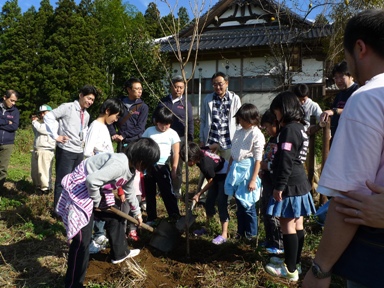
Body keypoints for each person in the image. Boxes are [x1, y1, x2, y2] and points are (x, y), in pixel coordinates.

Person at [303, 10, 384, 288]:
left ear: (359, 48)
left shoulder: (367, 98)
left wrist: (320, 270)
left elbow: (349, 199)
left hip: (375, 253)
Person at [56, 138, 160, 288]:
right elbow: (92, 180)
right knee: (81, 243)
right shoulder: (120, 164)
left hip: (94, 190)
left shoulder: (131, 169)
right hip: (80, 190)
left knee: (115, 218)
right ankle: (73, 284)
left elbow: (130, 192)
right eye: (147, 164)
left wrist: (137, 213)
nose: (146, 168)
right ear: (141, 159)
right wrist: (96, 201)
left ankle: (119, 254)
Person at [264, 92, 316, 282]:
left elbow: (286, 160)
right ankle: (295, 262)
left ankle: (290, 269)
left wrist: (279, 186)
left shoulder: (289, 130)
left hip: (290, 184)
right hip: (300, 182)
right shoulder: (301, 127)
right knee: (298, 223)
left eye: (276, 111)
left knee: (287, 225)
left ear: (283, 109)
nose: (275, 115)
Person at [44, 85, 99, 210]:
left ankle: (69, 207)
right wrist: (55, 136)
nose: (90, 102)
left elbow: (83, 131)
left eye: (92, 100)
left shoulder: (87, 115)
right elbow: (49, 116)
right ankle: (58, 210)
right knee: (62, 181)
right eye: (88, 98)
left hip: (78, 151)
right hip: (66, 150)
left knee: (75, 182)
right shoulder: (67, 107)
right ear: (81, 95)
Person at [83, 98, 125, 253]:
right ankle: (96, 238)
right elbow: (87, 152)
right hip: (97, 174)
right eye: (116, 115)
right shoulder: (95, 126)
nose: (116, 119)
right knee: (98, 207)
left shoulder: (104, 127)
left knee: (103, 205)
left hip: (104, 175)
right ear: (108, 111)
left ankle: (99, 235)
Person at [224, 103, 265, 240]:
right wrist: (229, 169)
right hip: (236, 168)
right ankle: (241, 232)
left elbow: (258, 158)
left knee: (248, 204)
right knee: (239, 204)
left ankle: (252, 234)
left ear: (251, 119)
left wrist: (253, 179)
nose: (240, 121)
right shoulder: (239, 131)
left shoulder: (256, 133)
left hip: (248, 169)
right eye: (239, 119)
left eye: (243, 119)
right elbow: (233, 153)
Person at [180, 142, 229, 244]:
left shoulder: (205, 165)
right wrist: (215, 156)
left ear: (194, 158)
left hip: (225, 174)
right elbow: (216, 145)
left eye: (188, 161)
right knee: (209, 202)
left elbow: (211, 181)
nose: (187, 163)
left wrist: (199, 194)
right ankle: (207, 227)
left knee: (221, 202)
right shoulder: (200, 150)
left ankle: (224, 234)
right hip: (215, 174)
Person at [155, 75, 194, 198]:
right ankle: (160, 188)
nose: (178, 90)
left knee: (177, 166)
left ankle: (176, 190)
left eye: (181, 87)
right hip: (163, 136)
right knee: (161, 163)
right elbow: (155, 117)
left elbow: (190, 121)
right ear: (171, 87)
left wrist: (189, 139)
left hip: (180, 138)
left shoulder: (186, 103)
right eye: (176, 87)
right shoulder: (163, 101)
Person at [142, 107, 181, 223]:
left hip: (163, 165)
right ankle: (151, 217)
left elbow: (176, 153)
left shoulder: (172, 134)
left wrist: (174, 168)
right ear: (156, 121)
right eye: (162, 124)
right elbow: (143, 147)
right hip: (149, 166)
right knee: (150, 193)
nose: (164, 127)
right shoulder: (149, 131)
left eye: (168, 124)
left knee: (167, 192)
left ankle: (174, 215)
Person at [199, 71, 242, 160]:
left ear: (226, 83)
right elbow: (203, 120)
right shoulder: (207, 99)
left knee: (226, 170)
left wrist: (238, 140)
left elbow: (239, 121)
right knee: (207, 169)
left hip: (228, 142)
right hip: (211, 141)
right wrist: (202, 140)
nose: (217, 87)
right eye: (214, 84)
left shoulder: (234, 99)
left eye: (220, 84)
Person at [259, 110, 283, 254]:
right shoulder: (271, 140)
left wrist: (266, 166)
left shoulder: (281, 140)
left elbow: (280, 163)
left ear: (276, 124)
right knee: (266, 212)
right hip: (267, 181)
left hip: (275, 182)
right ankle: (269, 239)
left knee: (274, 215)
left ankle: (278, 244)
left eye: (268, 127)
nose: (267, 130)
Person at [319, 61, 358, 143]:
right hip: (338, 138)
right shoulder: (339, 95)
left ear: (351, 76)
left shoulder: (358, 91)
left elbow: (355, 111)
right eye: (336, 77)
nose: (338, 80)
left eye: (341, 76)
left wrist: (335, 111)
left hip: (352, 138)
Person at [108, 77, 148, 153]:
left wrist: (124, 135)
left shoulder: (143, 107)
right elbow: (109, 119)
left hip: (136, 143)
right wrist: (113, 134)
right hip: (121, 142)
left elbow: (140, 127)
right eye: (137, 89)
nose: (140, 91)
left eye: (141, 89)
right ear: (129, 90)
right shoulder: (119, 104)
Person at [31, 104, 56, 193]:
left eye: (44, 113)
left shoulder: (53, 123)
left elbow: (41, 129)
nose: (42, 115)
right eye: (40, 113)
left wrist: (34, 122)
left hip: (46, 150)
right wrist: (35, 123)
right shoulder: (41, 124)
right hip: (37, 149)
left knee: (44, 172)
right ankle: (38, 188)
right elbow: (36, 132)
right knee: (36, 172)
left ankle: (46, 189)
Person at [0, 90, 19, 188]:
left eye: (15, 101)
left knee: (2, 168)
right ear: (5, 98)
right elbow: (10, 124)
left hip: (7, 143)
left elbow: (14, 126)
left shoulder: (15, 111)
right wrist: (7, 122)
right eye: (11, 100)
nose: (13, 103)